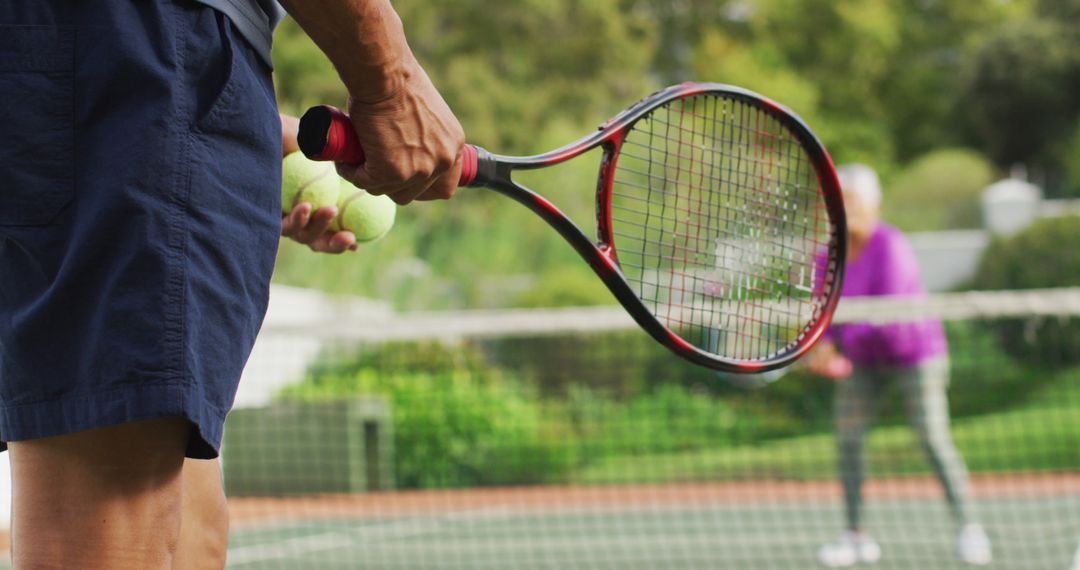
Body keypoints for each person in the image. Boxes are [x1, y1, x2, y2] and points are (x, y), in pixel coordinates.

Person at [0, 0, 463, 567]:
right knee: (113, 531)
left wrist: (240, 143)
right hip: (141, 46)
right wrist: (392, 82)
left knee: (193, 528)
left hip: (113, 63)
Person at [806, 164, 992, 567]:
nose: (846, 208)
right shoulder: (825, 258)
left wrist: (841, 347)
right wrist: (821, 348)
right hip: (863, 362)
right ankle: (856, 536)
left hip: (915, 354)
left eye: (854, 201)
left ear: (875, 206)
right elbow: (823, 317)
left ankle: (969, 528)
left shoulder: (890, 245)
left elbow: (888, 318)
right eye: (839, 200)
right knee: (848, 440)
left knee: (932, 438)